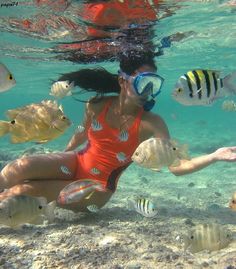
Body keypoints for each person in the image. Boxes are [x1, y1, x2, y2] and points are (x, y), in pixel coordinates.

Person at [1, 50, 235, 212]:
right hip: (75, 161)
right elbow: (82, 131)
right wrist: (60, 157)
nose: (148, 90)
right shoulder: (97, 103)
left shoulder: (152, 123)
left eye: (154, 84)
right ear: (123, 81)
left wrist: (214, 156)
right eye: (143, 82)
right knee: (17, 168)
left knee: (21, 192)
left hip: (97, 188)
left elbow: (177, 166)